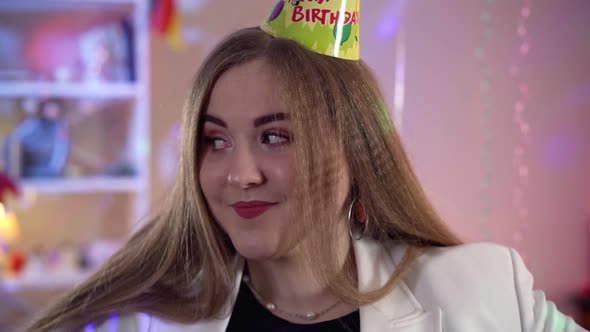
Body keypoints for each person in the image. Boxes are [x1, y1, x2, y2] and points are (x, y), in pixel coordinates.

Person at [27, 1, 585, 331]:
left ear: (357, 148)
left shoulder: (487, 293)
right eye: (215, 141)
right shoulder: (145, 318)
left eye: (275, 137)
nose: (239, 173)